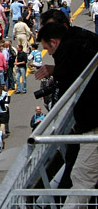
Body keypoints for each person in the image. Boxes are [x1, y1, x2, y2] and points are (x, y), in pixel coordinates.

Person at [36, 18, 98, 206]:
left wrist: (57, 71)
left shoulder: (69, 54)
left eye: (48, 48)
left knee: (81, 176)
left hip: (93, 126)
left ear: (54, 42)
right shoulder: (84, 41)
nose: (49, 53)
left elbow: (65, 89)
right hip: (90, 124)